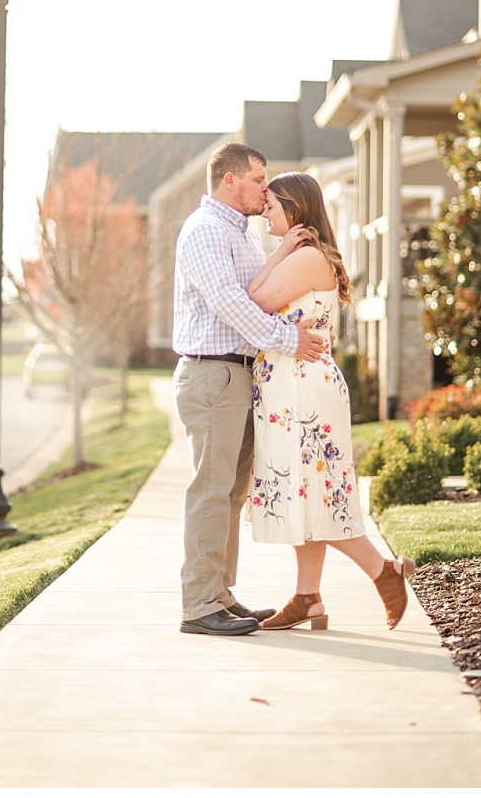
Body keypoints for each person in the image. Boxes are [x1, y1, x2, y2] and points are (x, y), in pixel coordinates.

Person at [246, 171, 415, 632]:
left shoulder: (306, 258)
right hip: (290, 386)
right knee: (304, 491)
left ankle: (384, 572)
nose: (265, 211)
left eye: (272, 205)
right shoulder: (298, 256)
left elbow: (254, 300)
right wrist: (278, 251)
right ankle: (309, 599)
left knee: (320, 494)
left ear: (295, 210)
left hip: (304, 390)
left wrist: (279, 252)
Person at [172, 143, 325, 637]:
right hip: (212, 373)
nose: (267, 187)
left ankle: (219, 594)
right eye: (259, 178)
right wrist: (286, 339)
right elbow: (227, 301)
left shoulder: (242, 234)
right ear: (230, 180)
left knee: (232, 494)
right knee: (212, 491)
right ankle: (198, 605)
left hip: (239, 374)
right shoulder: (205, 230)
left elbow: (257, 293)